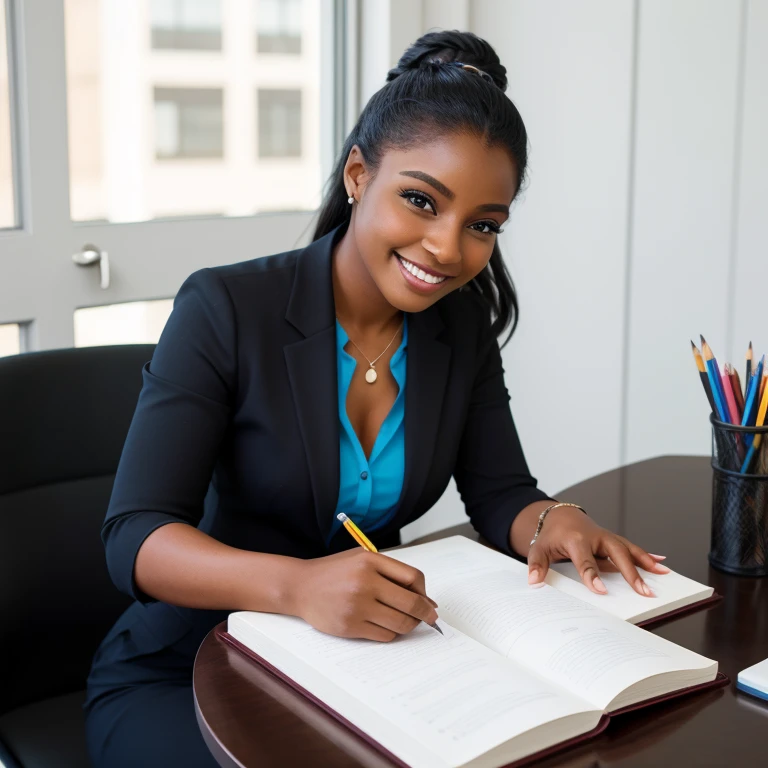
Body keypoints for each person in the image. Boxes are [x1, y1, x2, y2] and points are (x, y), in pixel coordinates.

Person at [84, 29, 669, 767]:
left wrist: (553, 519)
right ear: (359, 174)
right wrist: (296, 587)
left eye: (482, 224)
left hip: (363, 667)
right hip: (193, 666)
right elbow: (134, 536)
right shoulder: (228, 308)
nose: (449, 249)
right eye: (421, 200)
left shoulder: (458, 328)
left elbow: (500, 492)